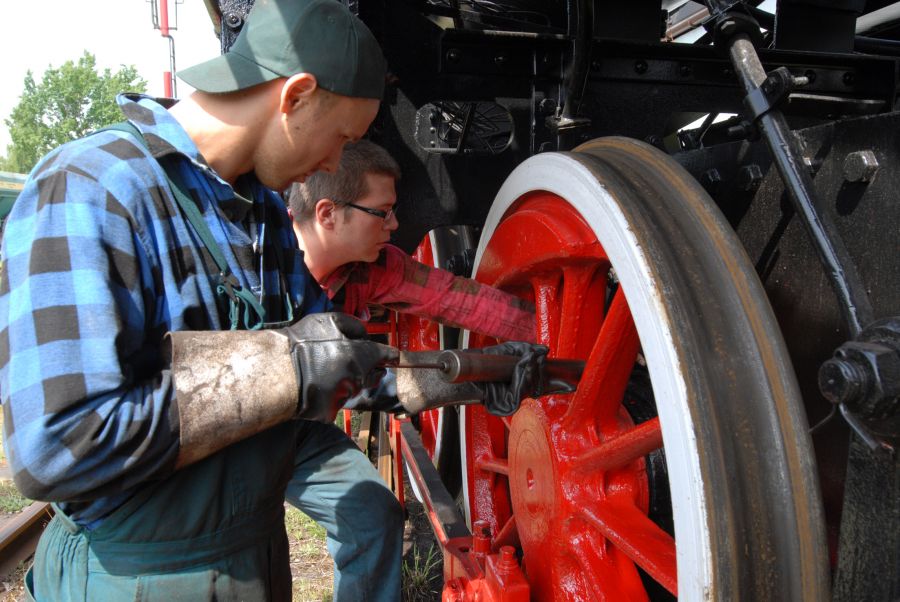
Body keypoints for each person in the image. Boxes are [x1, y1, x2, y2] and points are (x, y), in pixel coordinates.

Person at [287, 139, 536, 346]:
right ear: (328, 214)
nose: (394, 224)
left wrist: (544, 330)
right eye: (382, 212)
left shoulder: (375, 267)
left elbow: (456, 300)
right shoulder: (259, 267)